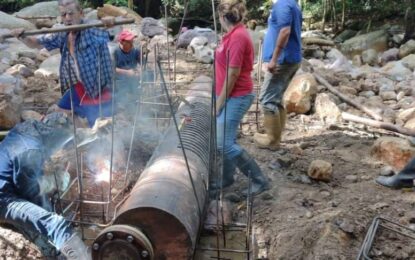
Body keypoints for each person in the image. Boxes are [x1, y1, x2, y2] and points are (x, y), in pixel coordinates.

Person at [0, 112, 99, 260]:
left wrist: (94, 133)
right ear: (55, 136)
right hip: (4, 198)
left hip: (9, 183)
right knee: (55, 224)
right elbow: (31, 192)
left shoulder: (31, 129)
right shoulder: (30, 151)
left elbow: (67, 139)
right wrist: (55, 181)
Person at [12, 0, 115, 128]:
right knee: (62, 111)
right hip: (80, 86)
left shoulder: (91, 29)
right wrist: (22, 36)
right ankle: (83, 135)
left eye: (71, 14)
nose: (67, 18)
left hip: (99, 87)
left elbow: (111, 33)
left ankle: (92, 132)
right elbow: (37, 43)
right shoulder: (63, 33)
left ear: (81, 13)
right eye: (63, 15)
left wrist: (110, 25)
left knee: (101, 126)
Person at [213, 0, 269, 196]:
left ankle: (260, 181)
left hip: (236, 96)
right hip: (228, 95)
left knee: (223, 144)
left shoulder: (238, 37)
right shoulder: (231, 35)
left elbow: (233, 73)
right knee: (224, 140)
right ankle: (227, 178)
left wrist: (219, 103)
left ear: (222, 17)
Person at [253, 0, 302, 150]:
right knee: (276, 98)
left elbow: (285, 31)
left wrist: (274, 59)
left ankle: (272, 140)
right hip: (289, 58)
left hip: (283, 60)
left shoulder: (283, 5)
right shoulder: (292, 4)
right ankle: (277, 136)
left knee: (267, 99)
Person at [114, 29, 141, 111]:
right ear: (122, 42)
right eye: (129, 42)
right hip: (119, 82)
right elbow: (111, 69)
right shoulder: (115, 52)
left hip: (133, 80)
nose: (132, 43)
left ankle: (134, 106)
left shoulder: (136, 51)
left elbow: (143, 64)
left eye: (132, 41)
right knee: (122, 104)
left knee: (135, 101)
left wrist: (140, 71)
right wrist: (127, 72)